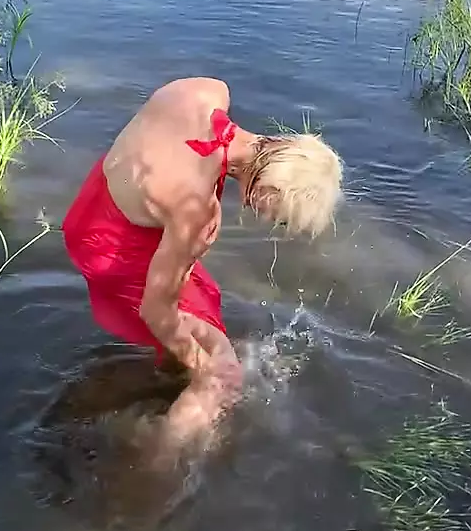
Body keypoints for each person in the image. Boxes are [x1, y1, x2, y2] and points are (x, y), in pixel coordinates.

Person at [62, 77, 342, 456]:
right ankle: (155, 461)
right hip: (108, 245)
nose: (261, 216)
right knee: (223, 376)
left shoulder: (209, 91)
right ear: (267, 191)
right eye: (277, 215)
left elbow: (173, 157)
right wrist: (204, 370)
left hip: (96, 198)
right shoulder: (193, 209)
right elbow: (155, 310)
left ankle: (158, 378)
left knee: (203, 307)